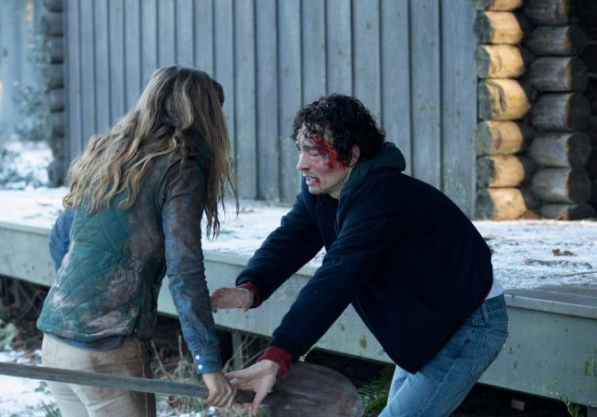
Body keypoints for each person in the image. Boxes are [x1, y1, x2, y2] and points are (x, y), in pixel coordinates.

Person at [211, 94, 508, 416]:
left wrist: (279, 355)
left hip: (467, 323)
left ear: (352, 155)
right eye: (300, 150)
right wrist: (251, 287)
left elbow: (337, 278)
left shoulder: (381, 199)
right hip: (428, 323)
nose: (301, 164)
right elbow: (291, 238)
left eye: (313, 151)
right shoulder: (324, 190)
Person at [37, 66, 238, 416]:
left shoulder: (108, 154)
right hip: (107, 352)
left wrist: (83, 299)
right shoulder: (181, 168)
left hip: (55, 341)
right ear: (205, 115)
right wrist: (208, 363)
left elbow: (60, 238)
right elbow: (185, 270)